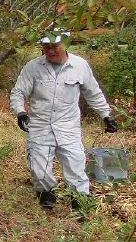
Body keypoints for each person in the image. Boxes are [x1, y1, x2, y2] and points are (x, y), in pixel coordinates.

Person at [9, 30, 117, 211]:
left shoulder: (80, 66)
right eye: (46, 47)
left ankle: (80, 204)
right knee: (39, 169)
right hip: (40, 126)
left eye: (54, 47)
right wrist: (20, 112)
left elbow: (93, 93)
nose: (50, 51)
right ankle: (46, 196)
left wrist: (106, 115)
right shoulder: (33, 67)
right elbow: (18, 92)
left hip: (68, 127)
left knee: (75, 168)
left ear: (65, 44)